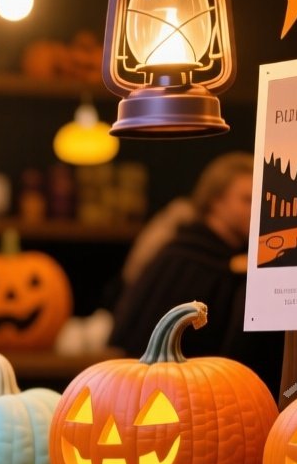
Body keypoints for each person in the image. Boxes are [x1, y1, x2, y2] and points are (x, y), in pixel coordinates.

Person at [110, 152, 285, 395]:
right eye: (246, 199)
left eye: (260, 200)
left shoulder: (237, 259)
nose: (256, 209)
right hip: (174, 393)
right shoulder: (183, 259)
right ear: (215, 201)